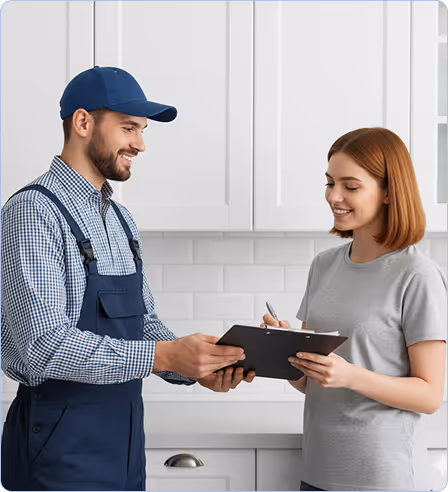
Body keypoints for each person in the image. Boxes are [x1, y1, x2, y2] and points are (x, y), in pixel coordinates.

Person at [1, 66, 255, 491]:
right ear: (83, 123)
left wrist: (195, 367)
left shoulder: (121, 219)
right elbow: (42, 348)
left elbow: (145, 323)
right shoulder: (33, 212)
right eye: (127, 128)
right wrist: (165, 357)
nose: (139, 143)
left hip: (124, 442)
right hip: (57, 450)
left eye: (141, 130)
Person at [262, 127, 446, 491]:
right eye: (330, 183)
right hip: (318, 476)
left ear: (390, 191)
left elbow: (429, 396)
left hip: (386, 480)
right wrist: (280, 351)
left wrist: (350, 375)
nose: (334, 196)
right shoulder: (324, 265)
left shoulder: (417, 275)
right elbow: (313, 384)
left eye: (351, 185)